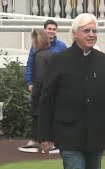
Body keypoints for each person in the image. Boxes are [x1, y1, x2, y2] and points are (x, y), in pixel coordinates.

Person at [38, 13, 105, 169]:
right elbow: (47, 99)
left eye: (94, 31)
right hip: (68, 134)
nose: (91, 35)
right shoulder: (58, 60)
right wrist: (44, 135)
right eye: (86, 30)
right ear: (74, 33)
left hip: (96, 134)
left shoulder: (104, 61)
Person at [19, 19, 67, 153]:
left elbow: (41, 75)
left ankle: (48, 143)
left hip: (46, 89)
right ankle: (39, 141)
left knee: (44, 115)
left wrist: (36, 89)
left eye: (53, 29)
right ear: (45, 30)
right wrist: (29, 82)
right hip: (47, 88)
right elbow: (30, 65)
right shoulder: (38, 51)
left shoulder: (58, 48)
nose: (51, 31)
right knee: (39, 115)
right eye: (49, 28)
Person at [18, 29, 52, 153]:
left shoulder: (39, 55)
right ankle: (47, 142)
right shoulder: (50, 53)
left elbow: (39, 77)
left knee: (37, 116)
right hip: (50, 92)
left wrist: (35, 92)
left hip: (41, 93)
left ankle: (40, 143)